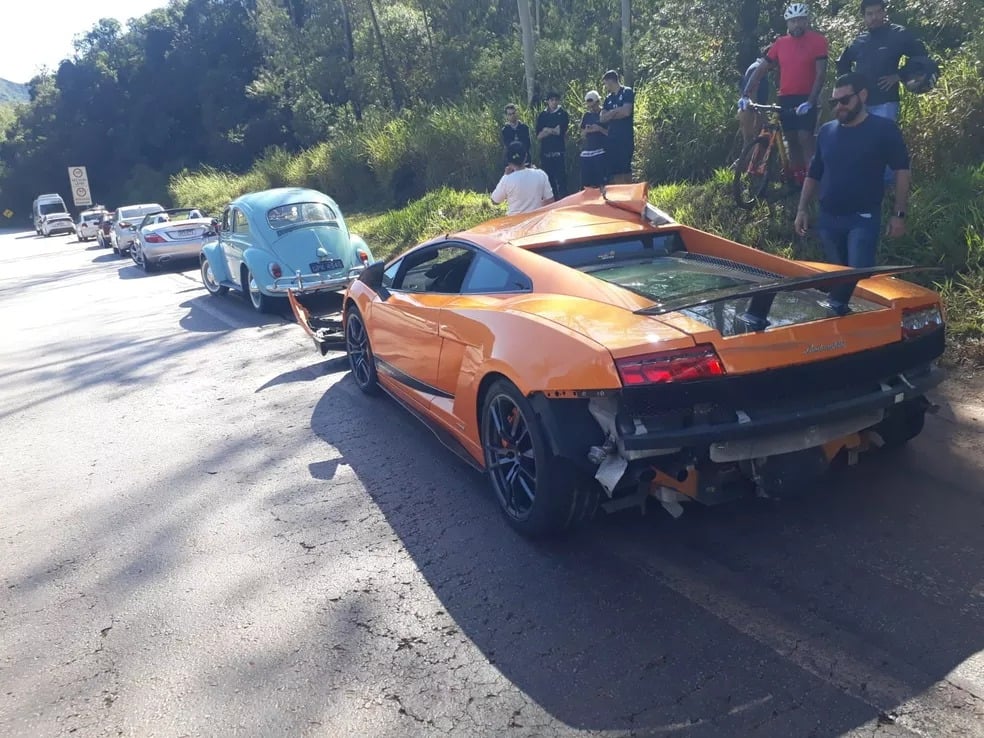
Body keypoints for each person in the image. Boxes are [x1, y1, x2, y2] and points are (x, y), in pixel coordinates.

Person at [794, 72, 911, 314]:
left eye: (844, 100)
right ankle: (840, 328)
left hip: (862, 217)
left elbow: (902, 170)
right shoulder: (827, 131)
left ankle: (868, 329)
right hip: (829, 219)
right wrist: (802, 208)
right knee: (837, 280)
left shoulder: (883, 129)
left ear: (862, 96)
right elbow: (814, 173)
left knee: (859, 278)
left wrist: (899, 213)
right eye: (834, 102)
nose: (839, 107)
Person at [742, 3, 828, 188]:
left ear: (806, 21)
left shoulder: (818, 41)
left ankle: (814, 181)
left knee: (805, 138)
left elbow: (820, 75)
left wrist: (811, 101)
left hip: (806, 96)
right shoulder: (781, 43)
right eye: (793, 21)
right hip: (786, 97)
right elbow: (761, 69)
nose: (797, 24)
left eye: (800, 20)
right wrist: (745, 93)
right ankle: (798, 180)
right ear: (788, 24)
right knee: (791, 139)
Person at [836, 0, 929, 124]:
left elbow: (921, 57)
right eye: (870, 14)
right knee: (860, 141)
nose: (875, 17)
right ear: (863, 16)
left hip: (886, 102)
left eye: (878, 12)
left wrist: (899, 75)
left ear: (884, 12)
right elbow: (842, 64)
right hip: (861, 105)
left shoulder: (898, 34)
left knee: (883, 140)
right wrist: (850, 91)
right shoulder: (859, 40)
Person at [491, 141, 555, 215]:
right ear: (526, 156)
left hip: (515, 223)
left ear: (508, 161)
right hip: (536, 221)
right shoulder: (540, 174)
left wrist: (505, 175)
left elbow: (494, 201)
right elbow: (550, 201)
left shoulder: (507, 179)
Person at [598, 70, 634, 184]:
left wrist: (611, 114)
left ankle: (628, 195)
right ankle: (619, 196)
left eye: (605, 83)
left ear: (611, 81)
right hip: (612, 139)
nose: (605, 86)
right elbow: (602, 118)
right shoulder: (608, 98)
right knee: (615, 171)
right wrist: (616, 111)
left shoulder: (627, 92)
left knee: (625, 169)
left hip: (625, 138)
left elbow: (626, 112)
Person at [535, 91, 570, 199]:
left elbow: (559, 131)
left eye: (556, 100)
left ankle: (564, 202)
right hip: (546, 153)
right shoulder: (542, 115)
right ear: (547, 101)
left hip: (558, 152)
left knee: (561, 180)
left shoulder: (563, 114)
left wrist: (546, 130)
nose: (554, 102)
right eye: (551, 100)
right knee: (549, 182)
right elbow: (539, 135)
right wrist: (551, 130)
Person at [737, 51, 774, 149]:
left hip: (750, 109)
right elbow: (753, 94)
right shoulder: (757, 69)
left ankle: (746, 162)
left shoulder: (758, 68)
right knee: (752, 142)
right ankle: (745, 163)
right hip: (751, 111)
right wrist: (760, 116)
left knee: (751, 143)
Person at [579, 90, 608, 188]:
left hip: (601, 152)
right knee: (587, 184)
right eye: (589, 106)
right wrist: (587, 131)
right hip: (587, 153)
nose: (591, 108)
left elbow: (610, 134)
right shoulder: (586, 115)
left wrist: (599, 128)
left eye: (593, 105)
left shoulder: (604, 114)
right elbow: (582, 135)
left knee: (601, 183)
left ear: (598, 102)